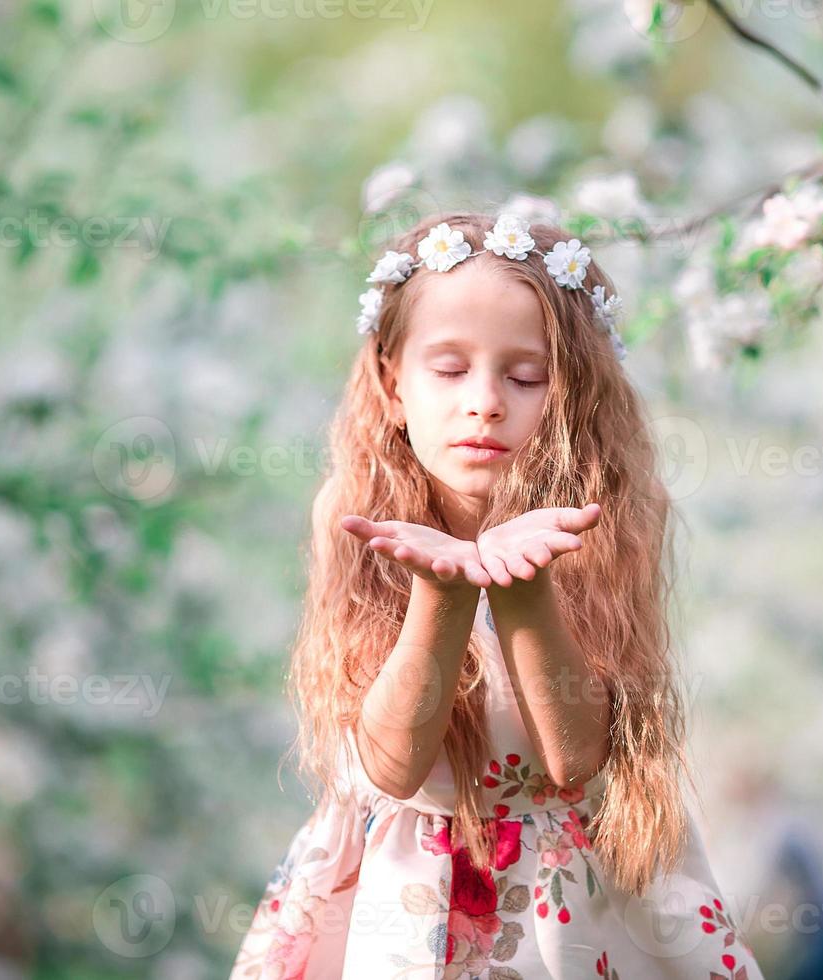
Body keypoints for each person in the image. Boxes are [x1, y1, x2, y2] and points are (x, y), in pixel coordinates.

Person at [228, 211, 766, 979]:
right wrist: (442, 596)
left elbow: (575, 758)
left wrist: (523, 588)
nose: (484, 401)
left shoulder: (610, 516)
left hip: (569, 895)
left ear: (574, 392)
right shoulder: (354, 510)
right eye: (449, 370)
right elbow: (393, 768)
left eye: (524, 377)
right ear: (390, 381)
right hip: (404, 891)